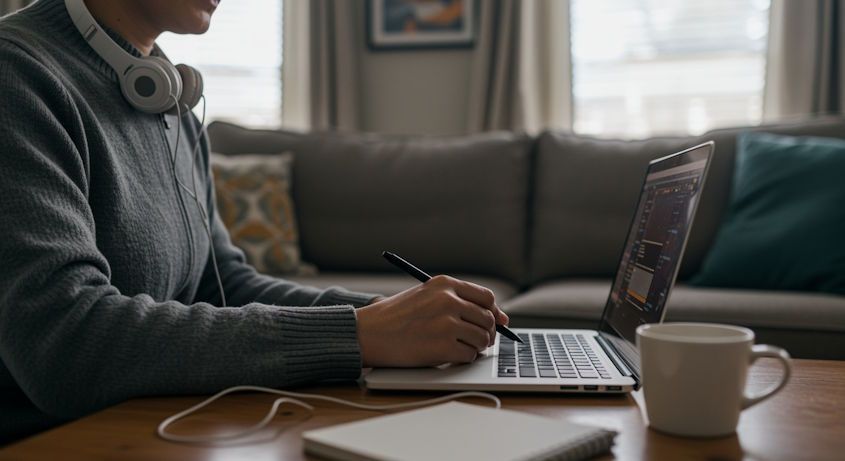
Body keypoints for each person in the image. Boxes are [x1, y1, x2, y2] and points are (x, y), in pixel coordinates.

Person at [0, 0, 508, 444]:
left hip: (155, 425)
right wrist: (357, 333)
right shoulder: (18, 76)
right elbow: (64, 342)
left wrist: (393, 316)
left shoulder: (169, 107)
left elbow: (223, 284)